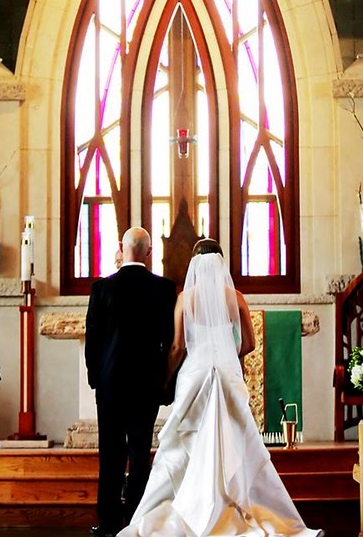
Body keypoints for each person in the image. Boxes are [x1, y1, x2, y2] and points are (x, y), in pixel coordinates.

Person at [118, 239, 322, 537]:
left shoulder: (185, 298)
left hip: (195, 377)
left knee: (184, 445)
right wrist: (231, 354)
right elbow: (250, 343)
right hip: (227, 375)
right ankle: (232, 504)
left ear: (194, 265)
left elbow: (177, 346)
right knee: (234, 441)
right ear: (221, 263)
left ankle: (185, 507)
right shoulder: (235, 297)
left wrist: (163, 379)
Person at [86, 226, 179, 537]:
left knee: (110, 454)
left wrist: (95, 378)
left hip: (110, 384)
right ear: (149, 252)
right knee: (140, 452)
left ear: (120, 248)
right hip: (147, 384)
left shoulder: (102, 289)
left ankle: (109, 524)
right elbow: (169, 340)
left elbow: (94, 340)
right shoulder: (165, 289)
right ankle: (137, 520)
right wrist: (165, 384)